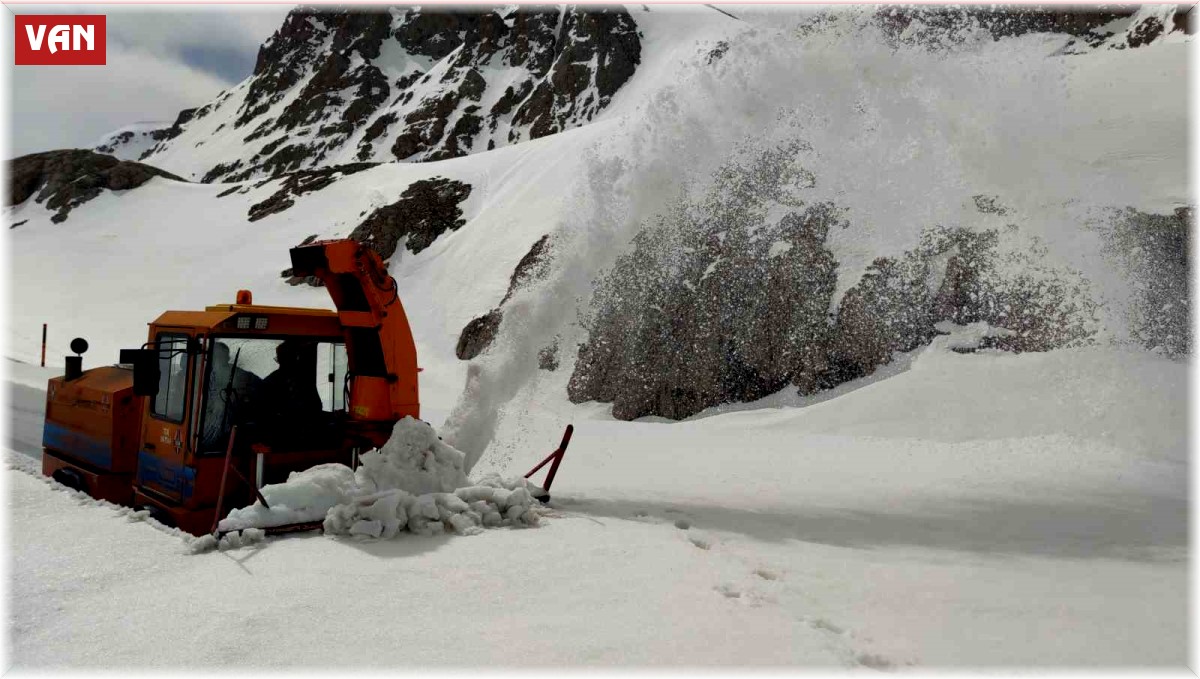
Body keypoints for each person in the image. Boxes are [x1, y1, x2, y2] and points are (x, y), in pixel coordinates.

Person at [200, 341, 262, 452]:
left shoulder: (240, 374)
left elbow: (261, 386)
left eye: (222, 356)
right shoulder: (198, 374)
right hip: (203, 433)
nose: (220, 359)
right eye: (217, 356)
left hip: (230, 430)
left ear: (227, 357)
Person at [255, 339, 324, 429]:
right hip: (280, 430)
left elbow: (315, 406)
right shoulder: (270, 383)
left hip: (304, 430)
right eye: (286, 357)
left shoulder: (305, 380)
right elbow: (264, 412)